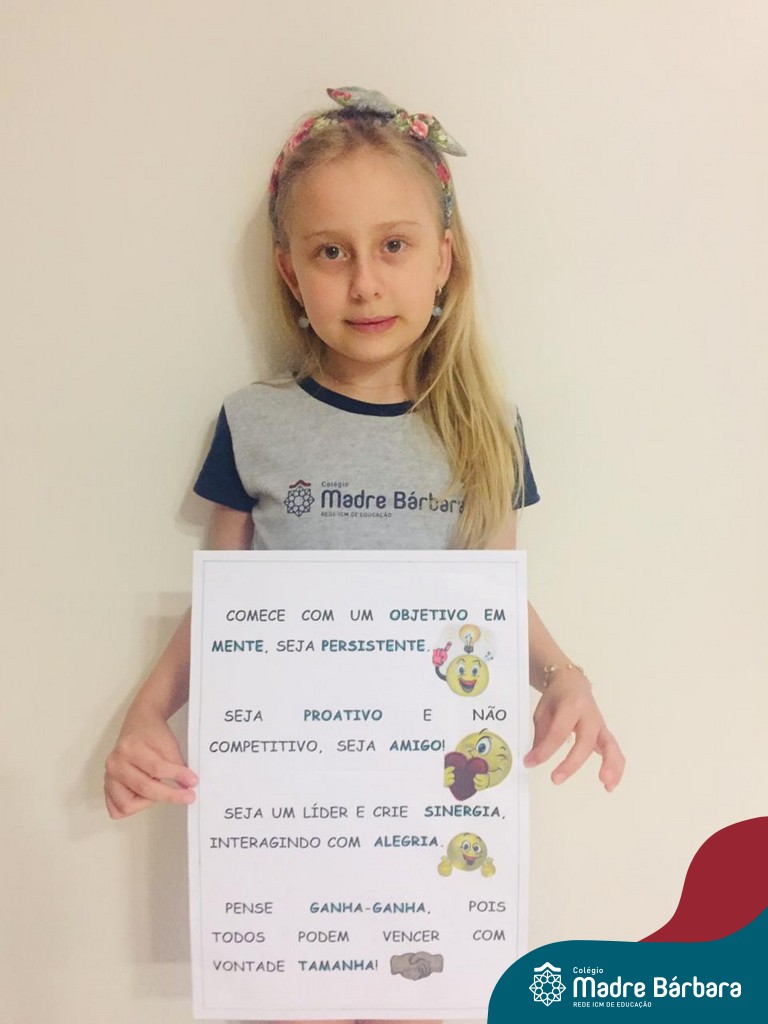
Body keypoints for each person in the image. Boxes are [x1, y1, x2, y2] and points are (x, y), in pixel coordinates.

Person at [104, 86, 624, 1018]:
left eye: (394, 245)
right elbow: (223, 606)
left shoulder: (487, 430)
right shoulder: (255, 424)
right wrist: (146, 716)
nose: (365, 284)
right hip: (292, 802)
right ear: (290, 273)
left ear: (443, 260)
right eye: (330, 252)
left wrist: (564, 677)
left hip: (432, 798)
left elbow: (494, 600)